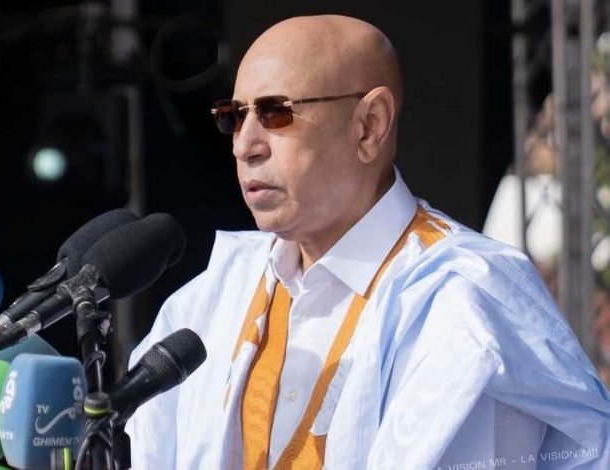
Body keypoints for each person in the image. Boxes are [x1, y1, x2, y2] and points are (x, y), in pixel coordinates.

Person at [125, 15, 610, 469]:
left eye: (274, 112)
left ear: (369, 126)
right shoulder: (211, 301)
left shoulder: (465, 300)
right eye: (233, 116)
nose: (244, 145)